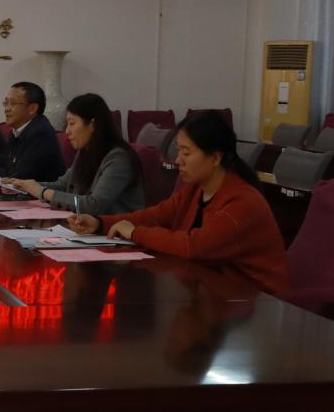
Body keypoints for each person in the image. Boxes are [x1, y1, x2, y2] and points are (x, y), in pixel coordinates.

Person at [69, 110, 288, 295]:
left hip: (255, 301)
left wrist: (135, 233)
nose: (177, 160)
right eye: (178, 151)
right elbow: (155, 216)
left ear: (215, 158)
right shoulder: (196, 190)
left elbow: (195, 246)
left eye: (186, 152)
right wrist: (100, 223)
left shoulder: (242, 202)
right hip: (212, 291)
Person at [4, 93, 144, 216]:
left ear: (92, 125)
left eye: (72, 123)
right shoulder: (86, 151)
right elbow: (64, 185)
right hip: (87, 227)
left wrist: (42, 192)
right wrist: (24, 186)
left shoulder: (118, 158)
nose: (67, 131)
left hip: (114, 231)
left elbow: (94, 205)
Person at [0, 81, 66, 181]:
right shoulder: (17, 130)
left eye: (13, 103)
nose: (7, 109)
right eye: (6, 103)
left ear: (32, 109)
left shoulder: (41, 133)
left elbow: (20, 175)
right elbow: (2, 163)